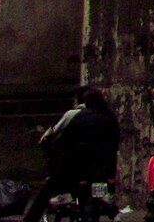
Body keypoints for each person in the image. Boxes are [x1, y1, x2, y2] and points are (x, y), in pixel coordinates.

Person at [21, 87, 119, 222]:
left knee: (51, 185)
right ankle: (107, 207)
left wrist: (55, 148)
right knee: (101, 193)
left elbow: (64, 139)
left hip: (78, 168)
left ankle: (32, 217)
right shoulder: (110, 118)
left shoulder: (80, 116)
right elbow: (116, 142)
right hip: (103, 170)